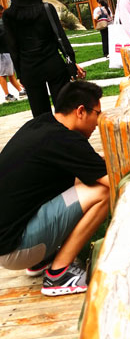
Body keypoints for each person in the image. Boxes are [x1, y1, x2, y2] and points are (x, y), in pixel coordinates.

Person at [0, 80, 109, 295]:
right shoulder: (66, 141)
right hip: (16, 248)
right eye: (98, 113)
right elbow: (117, 180)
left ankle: (42, 259)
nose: (98, 122)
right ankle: (58, 273)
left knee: (85, 182)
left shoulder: (43, 124)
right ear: (80, 111)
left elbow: (91, 165)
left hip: (9, 241)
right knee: (103, 191)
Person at [3, 0, 85, 117]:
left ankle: (46, 132)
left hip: (29, 68)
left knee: (40, 115)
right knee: (64, 111)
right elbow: (61, 38)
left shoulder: (9, 16)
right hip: (53, 64)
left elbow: (13, 47)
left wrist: (20, 73)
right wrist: (71, 61)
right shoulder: (47, 9)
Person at [0, 4, 27, 102]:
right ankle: (7, 95)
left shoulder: (3, 22)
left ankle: (20, 90)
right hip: (2, 52)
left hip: (7, 50)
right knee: (2, 74)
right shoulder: (2, 23)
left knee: (11, 73)